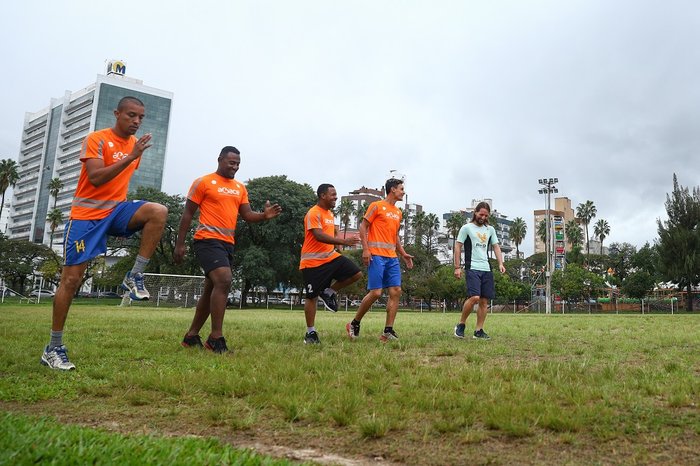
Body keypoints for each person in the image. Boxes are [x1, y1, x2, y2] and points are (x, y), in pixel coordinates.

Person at [41, 96, 168, 371]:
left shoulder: (135, 145)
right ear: (117, 113)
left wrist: (135, 154)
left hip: (115, 211)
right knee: (71, 282)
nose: (136, 121)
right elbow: (97, 178)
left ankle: (134, 275)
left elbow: (121, 180)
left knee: (158, 211)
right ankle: (53, 347)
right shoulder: (96, 139)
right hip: (86, 218)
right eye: (131, 115)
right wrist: (133, 156)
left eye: (140, 117)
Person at [174, 146, 281, 354]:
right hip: (206, 240)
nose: (235, 167)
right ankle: (216, 338)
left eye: (238, 164)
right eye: (231, 162)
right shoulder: (203, 182)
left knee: (211, 289)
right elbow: (187, 214)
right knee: (224, 280)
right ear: (220, 160)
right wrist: (179, 244)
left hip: (227, 243)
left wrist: (264, 216)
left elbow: (248, 215)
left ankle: (191, 336)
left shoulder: (239, 187)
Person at [346, 178, 413, 342]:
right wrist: (366, 250)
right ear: (392, 190)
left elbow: (395, 235)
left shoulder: (398, 212)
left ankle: (387, 331)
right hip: (376, 255)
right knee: (376, 293)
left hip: (392, 257)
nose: (403, 192)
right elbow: (363, 227)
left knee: (396, 291)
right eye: (401, 189)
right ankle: (354, 323)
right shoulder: (376, 206)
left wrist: (403, 254)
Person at [300, 184, 362, 344]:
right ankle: (310, 333)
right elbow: (318, 235)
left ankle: (328, 292)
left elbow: (332, 234)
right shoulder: (313, 213)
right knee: (311, 297)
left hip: (330, 257)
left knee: (356, 273)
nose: (335, 197)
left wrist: (340, 250)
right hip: (312, 262)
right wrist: (343, 241)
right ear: (322, 195)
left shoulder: (329, 214)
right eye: (332, 194)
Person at [453, 201, 506, 340]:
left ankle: (479, 330)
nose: (483, 217)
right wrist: (457, 267)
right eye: (481, 214)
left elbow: (496, 247)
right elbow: (458, 246)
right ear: (475, 213)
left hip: (486, 268)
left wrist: (500, 263)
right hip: (472, 267)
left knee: (484, 301)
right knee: (474, 297)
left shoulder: (491, 230)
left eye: (486, 215)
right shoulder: (466, 228)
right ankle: (461, 324)